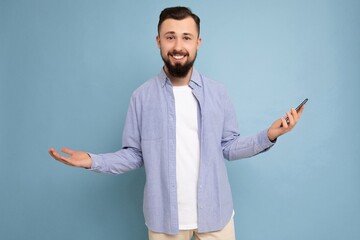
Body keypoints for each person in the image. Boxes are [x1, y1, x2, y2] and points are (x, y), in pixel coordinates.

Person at [48, 6, 305, 240]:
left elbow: (228, 147)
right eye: (170, 37)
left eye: (186, 37)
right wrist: (93, 161)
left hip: (216, 216)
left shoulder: (218, 93)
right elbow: (135, 155)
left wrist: (269, 135)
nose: (178, 46)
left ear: (198, 42)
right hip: (164, 221)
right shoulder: (141, 97)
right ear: (159, 42)